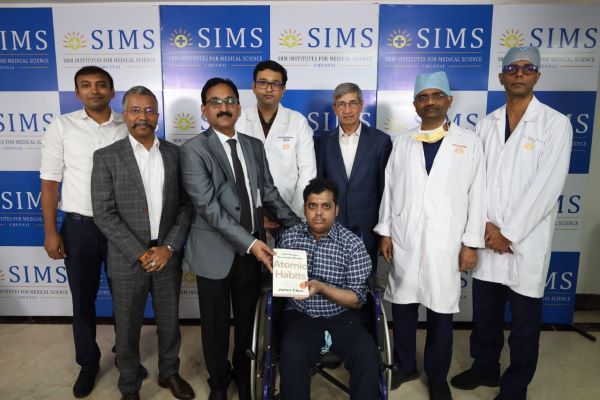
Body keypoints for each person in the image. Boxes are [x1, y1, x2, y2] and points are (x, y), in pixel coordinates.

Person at [451, 46, 573, 400]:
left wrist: (509, 234)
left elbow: (547, 187)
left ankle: (515, 386)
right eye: (512, 68)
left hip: (524, 242)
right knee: (485, 316)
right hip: (489, 237)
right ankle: (484, 368)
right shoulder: (486, 124)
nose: (519, 73)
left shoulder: (555, 124)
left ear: (537, 75)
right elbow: (476, 181)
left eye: (527, 68)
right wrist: (486, 227)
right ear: (501, 77)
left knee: (523, 323)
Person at [179, 77, 301, 400]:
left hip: (251, 252)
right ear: (204, 110)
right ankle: (219, 382)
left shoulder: (253, 145)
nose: (224, 107)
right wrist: (251, 243)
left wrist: (299, 227)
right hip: (215, 253)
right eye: (216, 102)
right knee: (215, 325)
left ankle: (244, 375)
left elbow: (269, 192)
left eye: (230, 101)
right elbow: (208, 208)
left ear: (238, 107)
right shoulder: (193, 150)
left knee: (248, 321)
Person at [375, 71, 486, 400]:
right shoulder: (403, 142)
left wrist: (471, 243)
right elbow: (390, 190)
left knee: (441, 310)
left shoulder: (469, 142)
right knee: (404, 305)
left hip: (445, 242)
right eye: (423, 97)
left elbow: (478, 195)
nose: (430, 102)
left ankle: (437, 376)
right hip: (406, 237)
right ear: (415, 105)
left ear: (449, 101)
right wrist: (385, 232)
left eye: (437, 95)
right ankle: (405, 365)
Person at [91, 86, 195, 400]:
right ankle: (129, 385)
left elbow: (185, 206)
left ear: (158, 116)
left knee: (169, 323)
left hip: (166, 256)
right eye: (135, 110)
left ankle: (169, 372)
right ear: (124, 115)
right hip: (127, 258)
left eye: (149, 110)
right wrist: (140, 253)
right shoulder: (106, 157)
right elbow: (104, 213)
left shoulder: (175, 154)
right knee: (127, 328)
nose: (143, 117)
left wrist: (169, 248)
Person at [40, 65, 128, 398]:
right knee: (83, 300)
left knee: (126, 299)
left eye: (101, 85)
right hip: (79, 227)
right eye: (86, 85)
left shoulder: (127, 125)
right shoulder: (62, 126)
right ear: (77, 92)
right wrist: (51, 232)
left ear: (112, 91)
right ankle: (88, 363)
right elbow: (50, 183)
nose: (95, 90)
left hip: (121, 227)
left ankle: (126, 357)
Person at [277, 177, 380, 400]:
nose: (318, 213)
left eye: (326, 206)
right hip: (301, 315)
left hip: (343, 316)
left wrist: (321, 287)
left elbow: (356, 299)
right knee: (291, 352)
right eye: (312, 206)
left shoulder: (352, 244)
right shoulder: (289, 239)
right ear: (305, 208)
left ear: (336, 209)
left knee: (366, 353)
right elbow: (281, 283)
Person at [315, 82, 392, 273]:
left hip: (368, 228)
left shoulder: (381, 141)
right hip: (332, 227)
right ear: (335, 108)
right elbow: (319, 188)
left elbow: (385, 190)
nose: (347, 110)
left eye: (352, 103)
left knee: (365, 282)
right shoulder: (322, 143)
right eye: (341, 104)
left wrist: (385, 230)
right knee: (331, 280)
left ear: (361, 105)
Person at [236, 60, 316, 222]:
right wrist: (254, 215)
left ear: (283, 90)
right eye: (263, 82)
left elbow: (308, 173)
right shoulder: (238, 120)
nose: (269, 89)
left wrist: (290, 215)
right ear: (253, 87)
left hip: (289, 211)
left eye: (275, 84)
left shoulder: (297, 121)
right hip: (246, 214)